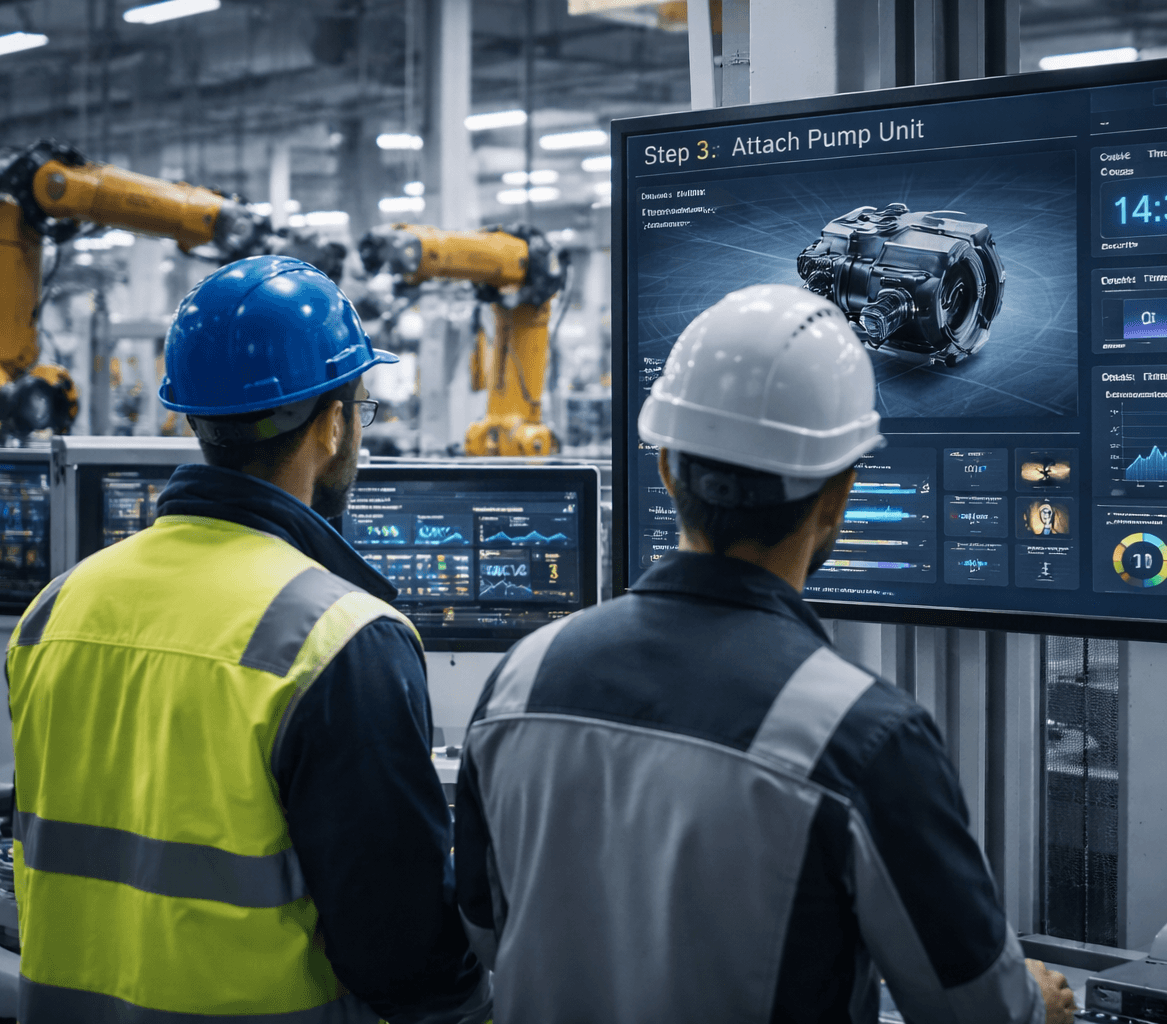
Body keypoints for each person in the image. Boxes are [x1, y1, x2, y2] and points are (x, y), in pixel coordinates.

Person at [454, 284, 1075, 1023]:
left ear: (666, 470)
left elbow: (486, 936)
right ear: (838, 495)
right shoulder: (864, 737)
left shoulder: (520, 679)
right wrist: (1038, 1002)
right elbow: (978, 1013)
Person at [6, 256, 491, 1023]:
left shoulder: (56, 608)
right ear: (333, 424)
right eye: (359, 405)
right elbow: (400, 955)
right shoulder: (340, 640)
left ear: (196, 419)